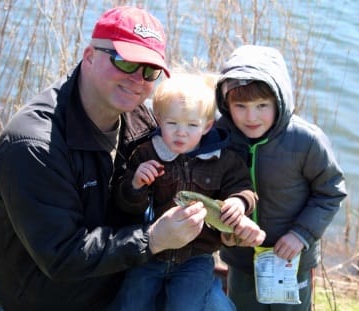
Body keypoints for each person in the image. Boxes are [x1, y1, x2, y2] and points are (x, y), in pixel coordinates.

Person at [0, 6, 212, 311]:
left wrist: (225, 220)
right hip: (43, 301)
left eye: (150, 70)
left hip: (116, 288)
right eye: (125, 62)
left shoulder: (142, 120)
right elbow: (62, 254)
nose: (138, 79)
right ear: (89, 56)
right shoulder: (33, 145)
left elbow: (188, 168)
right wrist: (153, 239)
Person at [109, 73, 265, 311]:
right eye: (172, 124)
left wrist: (238, 202)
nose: (181, 132)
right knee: (130, 303)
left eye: (192, 125)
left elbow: (244, 187)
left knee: (187, 306)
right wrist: (136, 184)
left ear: (207, 126)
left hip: (196, 257)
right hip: (151, 253)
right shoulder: (146, 154)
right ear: (159, 120)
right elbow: (126, 204)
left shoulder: (224, 160)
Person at [214, 45, 348, 311]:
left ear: (279, 100)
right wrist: (223, 229)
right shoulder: (219, 136)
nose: (251, 117)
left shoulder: (306, 140)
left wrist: (301, 234)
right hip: (242, 258)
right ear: (226, 104)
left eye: (262, 105)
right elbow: (206, 186)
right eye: (240, 106)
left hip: (293, 257)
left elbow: (330, 192)